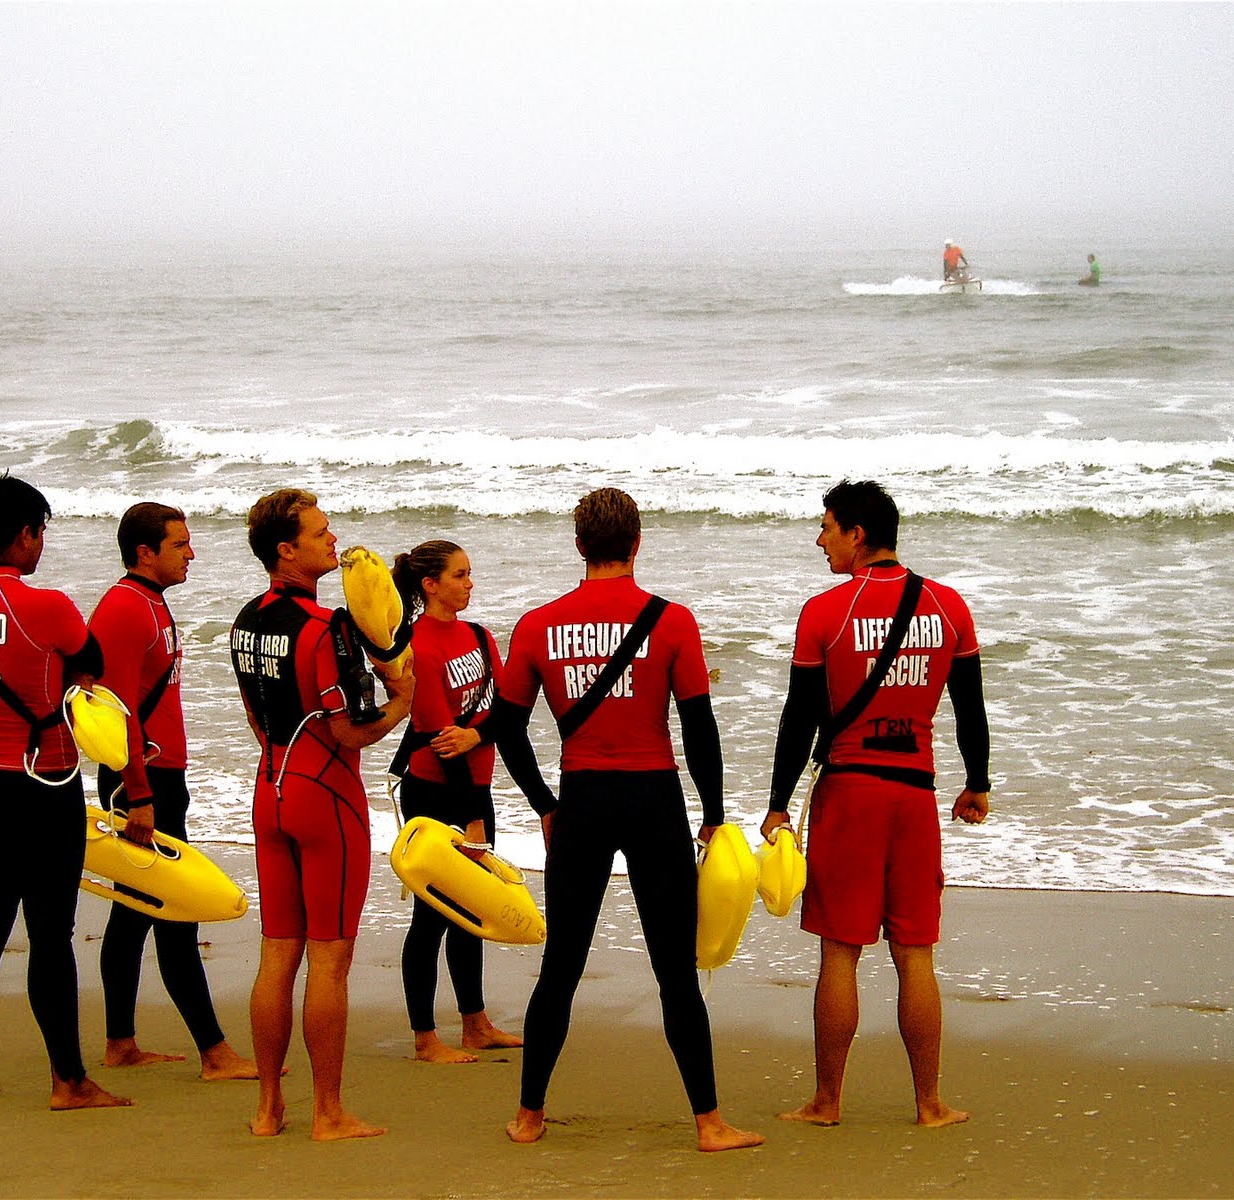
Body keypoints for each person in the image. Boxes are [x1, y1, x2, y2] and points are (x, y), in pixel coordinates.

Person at [491, 487, 764, 1153]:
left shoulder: (537, 625)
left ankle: (529, 1116)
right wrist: (715, 816)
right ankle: (709, 1124)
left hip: (582, 798)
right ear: (637, 543)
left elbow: (505, 726)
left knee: (562, 964)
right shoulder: (672, 622)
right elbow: (699, 730)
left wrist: (544, 806)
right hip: (653, 801)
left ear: (580, 545)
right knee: (674, 968)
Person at [761, 478, 991, 1129]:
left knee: (840, 950)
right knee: (915, 953)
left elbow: (799, 717)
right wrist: (977, 782)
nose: (820, 538)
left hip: (850, 795)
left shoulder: (824, 613)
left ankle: (827, 1102)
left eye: (827, 526)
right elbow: (969, 708)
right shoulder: (948, 608)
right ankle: (930, 1103)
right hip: (914, 795)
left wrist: (777, 803)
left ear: (858, 534)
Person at [0, 472, 131, 1111]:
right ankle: (68, 1081)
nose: (41, 547)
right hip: (45, 783)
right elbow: (90, 660)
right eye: (39, 533)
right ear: (23, 535)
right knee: (50, 930)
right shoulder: (45, 605)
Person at [229, 488, 415, 1140]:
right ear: (287, 549)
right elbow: (351, 731)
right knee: (329, 959)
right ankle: (329, 1111)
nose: (333, 541)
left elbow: (258, 718)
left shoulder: (245, 620)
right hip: (325, 796)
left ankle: (268, 1107)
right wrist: (404, 701)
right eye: (320, 532)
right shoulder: (324, 628)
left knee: (277, 953)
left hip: (271, 785)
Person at [88, 502, 256, 1081]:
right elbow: (115, 709)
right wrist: (137, 793)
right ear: (145, 553)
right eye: (180, 544)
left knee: (135, 912)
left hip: (160, 777)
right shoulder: (123, 609)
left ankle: (120, 1043)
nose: (192, 553)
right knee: (175, 906)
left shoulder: (151, 602)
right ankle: (214, 1053)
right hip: (142, 782)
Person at [389, 540, 523, 1064]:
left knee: (474, 907)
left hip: (477, 787)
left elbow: (509, 711)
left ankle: (476, 1023)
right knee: (432, 915)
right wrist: (469, 820)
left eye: (470, 574)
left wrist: (476, 735)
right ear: (430, 585)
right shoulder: (417, 647)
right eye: (460, 575)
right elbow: (441, 742)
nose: (470, 583)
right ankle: (425, 1039)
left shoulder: (479, 636)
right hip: (436, 791)